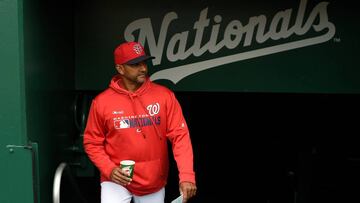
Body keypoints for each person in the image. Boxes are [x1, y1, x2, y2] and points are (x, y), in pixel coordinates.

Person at [83, 41, 197, 203]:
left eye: (144, 62)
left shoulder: (164, 96)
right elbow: (92, 142)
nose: (143, 68)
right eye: (135, 64)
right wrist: (109, 169)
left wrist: (187, 176)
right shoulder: (102, 102)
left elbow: (180, 137)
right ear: (120, 68)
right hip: (116, 178)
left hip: (152, 180)